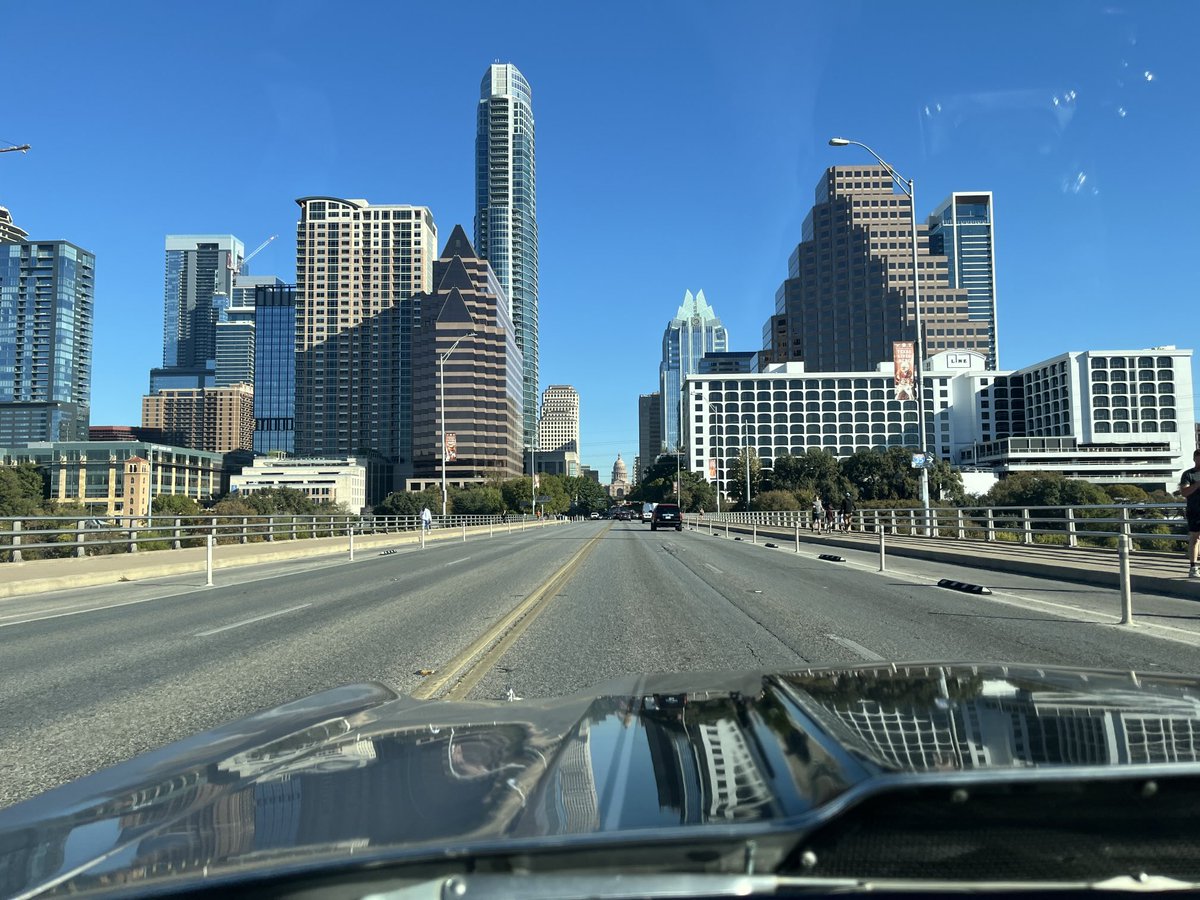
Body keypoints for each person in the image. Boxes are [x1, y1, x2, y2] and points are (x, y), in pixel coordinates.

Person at [1179, 449, 1200, 577]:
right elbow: (1184, 492)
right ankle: (1193, 567)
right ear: (1194, 459)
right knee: (1195, 538)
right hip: (1194, 511)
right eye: (1198, 458)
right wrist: (1197, 485)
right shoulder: (1188, 474)